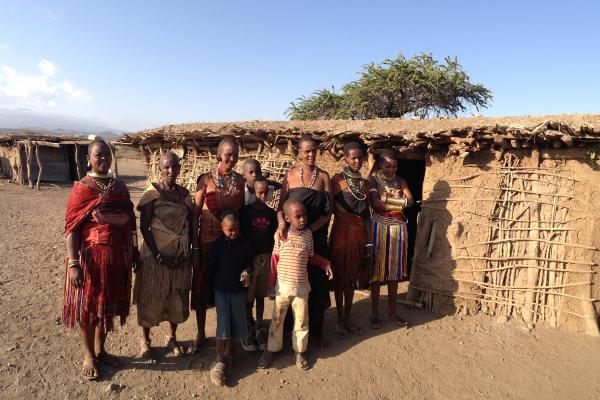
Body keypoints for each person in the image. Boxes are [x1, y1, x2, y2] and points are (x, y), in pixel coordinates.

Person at [63, 139, 136, 380]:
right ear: (88, 159)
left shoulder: (120, 187)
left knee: (105, 308)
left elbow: (130, 220)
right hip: (90, 259)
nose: (103, 159)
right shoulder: (82, 188)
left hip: (116, 257)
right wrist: (74, 263)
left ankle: (101, 351)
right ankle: (89, 356)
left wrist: (133, 249)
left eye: (107, 155)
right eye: (98, 155)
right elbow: (71, 228)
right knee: (88, 308)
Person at [133, 151, 195, 363]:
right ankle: (145, 342)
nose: (171, 171)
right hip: (154, 257)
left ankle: (172, 338)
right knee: (150, 297)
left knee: (175, 297)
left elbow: (191, 223)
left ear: (180, 168)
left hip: (179, 258)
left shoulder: (185, 195)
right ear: (159, 169)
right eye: (166, 167)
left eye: (174, 166)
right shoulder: (153, 192)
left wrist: (187, 252)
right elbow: (144, 226)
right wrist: (159, 255)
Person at [258, 199, 333, 371]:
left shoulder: (308, 235)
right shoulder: (281, 235)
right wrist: (271, 284)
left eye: (304, 215)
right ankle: (271, 349)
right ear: (287, 218)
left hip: (301, 289)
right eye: (298, 216)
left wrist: (325, 263)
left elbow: (311, 257)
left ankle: (299, 351)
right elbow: (274, 260)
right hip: (282, 288)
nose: (302, 219)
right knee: (277, 320)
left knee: (301, 322)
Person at [275, 135, 333, 349]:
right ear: (299, 152)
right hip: (292, 240)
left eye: (314, 151)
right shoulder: (289, 176)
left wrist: (309, 229)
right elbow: (281, 208)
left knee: (315, 285)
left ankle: (316, 333)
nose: (311, 154)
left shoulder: (324, 177)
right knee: (292, 283)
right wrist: (282, 224)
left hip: (315, 238)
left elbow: (329, 212)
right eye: (307, 151)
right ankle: (288, 331)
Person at [191, 136, 245, 353]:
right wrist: (195, 247)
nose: (232, 158)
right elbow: (195, 214)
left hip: (228, 247)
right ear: (219, 155)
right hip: (206, 244)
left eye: (235, 155)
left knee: (227, 291)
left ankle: (227, 335)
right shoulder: (206, 180)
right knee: (202, 289)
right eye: (228, 154)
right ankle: (201, 333)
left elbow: (240, 213)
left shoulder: (240, 181)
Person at [205, 210, 253, 386]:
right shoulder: (217, 246)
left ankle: (229, 355)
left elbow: (250, 262)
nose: (234, 233)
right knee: (223, 324)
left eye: (236, 229)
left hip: (238, 292)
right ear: (221, 228)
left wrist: (247, 271)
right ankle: (218, 359)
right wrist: (209, 293)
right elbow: (210, 270)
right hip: (221, 292)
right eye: (230, 230)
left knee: (235, 323)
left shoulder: (244, 244)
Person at [368, 149, 414, 329]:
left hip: (398, 228)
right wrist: (396, 201)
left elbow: (410, 201)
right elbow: (375, 203)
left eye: (394, 166)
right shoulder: (373, 180)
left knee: (394, 272)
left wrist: (391, 200)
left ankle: (392, 312)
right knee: (377, 272)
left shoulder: (400, 180)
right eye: (387, 165)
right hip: (379, 227)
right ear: (380, 164)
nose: (391, 169)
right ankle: (374, 313)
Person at [329, 142, 371, 338]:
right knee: (340, 278)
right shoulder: (336, 181)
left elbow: (368, 215)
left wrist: (369, 242)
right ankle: (338, 318)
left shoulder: (365, 183)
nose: (357, 161)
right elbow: (327, 209)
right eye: (353, 157)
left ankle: (348, 316)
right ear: (345, 158)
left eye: (360, 157)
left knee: (352, 277)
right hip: (341, 235)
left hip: (359, 236)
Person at [240, 176, 278, 351]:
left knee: (260, 295)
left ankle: (259, 327)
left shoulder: (270, 213)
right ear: (253, 192)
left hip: (265, 259)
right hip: (250, 260)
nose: (262, 196)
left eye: (265, 193)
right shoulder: (246, 212)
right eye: (259, 192)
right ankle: (248, 326)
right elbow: (243, 235)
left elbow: (273, 236)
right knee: (248, 297)